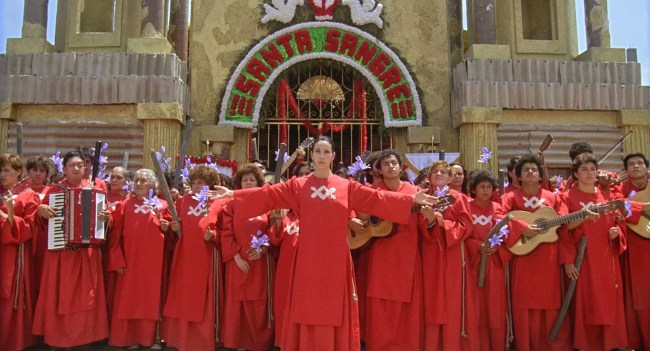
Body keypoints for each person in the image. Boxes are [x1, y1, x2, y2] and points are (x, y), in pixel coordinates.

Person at [213, 136, 436, 351]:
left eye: (326, 152)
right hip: (307, 259)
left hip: (336, 258)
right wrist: (233, 194)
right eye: (318, 151)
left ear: (333, 156)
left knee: (334, 308)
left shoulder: (346, 186)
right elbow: (268, 195)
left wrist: (410, 199)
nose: (321, 156)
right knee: (308, 307)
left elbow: (376, 199)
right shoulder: (297, 185)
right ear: (312, 156)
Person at [32, 150, 110, 348]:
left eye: (80, 165)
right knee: (60, 298)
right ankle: (58, 337)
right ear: (64, 168)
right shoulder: (54, 191)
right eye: (72, 165)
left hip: (87, 253)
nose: (77, 168)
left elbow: (108, 219)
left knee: (87, 298)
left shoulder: (96, 191)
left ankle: (87, 337)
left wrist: (106, 218)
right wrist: (40, 211)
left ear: (85, 168)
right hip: (61, 253)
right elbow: (39, 220)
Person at [500, 154, 572, 351]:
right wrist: (522, 227)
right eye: (526, 170)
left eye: (534, 169)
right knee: (523, 304)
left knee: (550, 305)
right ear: (518, 176)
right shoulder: (509, 198)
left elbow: (564, 226)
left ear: (541, 176)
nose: (530, 172)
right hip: (522, 259)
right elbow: (499, 217)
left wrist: (567, 260)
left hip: (548, 260)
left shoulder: (553, 198)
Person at [561, 152, 628, 350]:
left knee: (608, 300)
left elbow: (619, 222)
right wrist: (567, 261)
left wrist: (617, 233)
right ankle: (586, 344)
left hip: (606, 259)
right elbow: (563, 228)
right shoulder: (566, 197)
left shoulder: (606, 196)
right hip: (582, 258)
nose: (590, 173)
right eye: (584, 169)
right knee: (586, 301)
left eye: (593, 169)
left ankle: (610, 343)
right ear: (575, 174)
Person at [364, 150, 429, 350]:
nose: (390, 166)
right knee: (381, 302)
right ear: (380, 170)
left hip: (407, 253)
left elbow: (424, 222)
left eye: (394, 163)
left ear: (401, 167)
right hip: (382, 252)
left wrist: (430, 216)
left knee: (407, 304)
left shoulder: (414, 191)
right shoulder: (373, 191)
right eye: (386, 164)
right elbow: (358, 211)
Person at [108, 169, 172, 349]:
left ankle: (152, 338)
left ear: (152, 185)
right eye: (136, 180)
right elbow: (115, 235)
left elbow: (173, 236)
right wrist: (117, 259)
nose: (138, 183)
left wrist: (168, 229)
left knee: (151, 300)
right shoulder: (124, 205)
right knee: (130, 300)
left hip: (154, 264)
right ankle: (130, 338)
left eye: (143, 180)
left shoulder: (162, 205)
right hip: (130, 262)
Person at [162, 165, 223, 351]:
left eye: (201, 183)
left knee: (204, 298)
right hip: (185, 255)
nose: (197, 186)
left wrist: (215, 235)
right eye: (194, 182)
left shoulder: (219, 203)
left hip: (207, 255)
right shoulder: (182, 202)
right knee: (183, 296)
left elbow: (227, 228)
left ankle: (204, 340)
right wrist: (172, 228)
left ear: (210, 185)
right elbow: (174, 225)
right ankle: (180, 339)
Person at [422, 160, 478, 350]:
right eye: (435, 172)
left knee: (452, 299)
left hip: (452, 254)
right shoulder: (423, 197)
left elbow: (467, 225)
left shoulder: (458, 198)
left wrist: (441, 223)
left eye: (443, 173)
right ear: (429, 177)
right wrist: (428, 223)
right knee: (430, 299)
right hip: (429, 253)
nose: (438, 174)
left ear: (449, 178)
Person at [221, 164, 274, 351]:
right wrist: (236, 257)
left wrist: (263, 249)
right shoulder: (231, 204)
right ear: (239, 183)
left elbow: (272, 230)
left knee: (258, 303)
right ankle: (238, 342)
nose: (249, 182)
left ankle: (259, 343)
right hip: (238, 261)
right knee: (238, 303)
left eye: (252, 179)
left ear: (259, 182)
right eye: (245, 179)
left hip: (260, 261)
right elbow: (226, 232)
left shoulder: (266, 202)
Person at [269, 161, 311, 348]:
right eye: (301, 173)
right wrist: (277, 220)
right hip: (287, 267)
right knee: (285, 304)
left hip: (311, 270)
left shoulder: (322, 209)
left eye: (308, 173)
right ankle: (285, 341)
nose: (305, 177)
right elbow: (275, 239)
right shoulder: (286, 211)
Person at [466, 170, 510, 351]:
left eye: (489, 187)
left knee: (494, 308)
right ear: (474, 189)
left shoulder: (498, 208)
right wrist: (477, 246)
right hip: (472, 264)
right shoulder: (466, 207)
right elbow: (461, 234)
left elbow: (506, 231)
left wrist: (496, 245)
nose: (486, 190)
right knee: (474, 308)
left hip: (493, 263)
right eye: (482, 186)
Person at [0, 153, 39, 351]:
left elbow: (30, 228)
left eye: (6, 170)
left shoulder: (28, 195)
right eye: (0, 170)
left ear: (18, 172)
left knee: (7, 297)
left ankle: (12, 341)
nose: (2, 174)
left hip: (14, 254)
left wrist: (8, 214)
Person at [616, 152, 650, 349]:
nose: (636, 166)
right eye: (631, 164)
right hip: (636, 247)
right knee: (640, 298)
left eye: (639, 163)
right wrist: (645, 206)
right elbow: (620, 206)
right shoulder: (621, 188)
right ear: (626, 171)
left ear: (646, 168)